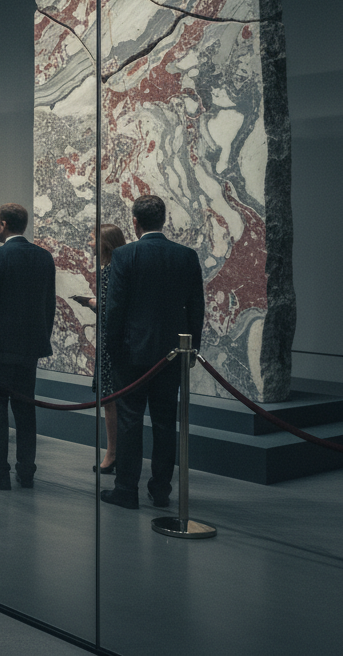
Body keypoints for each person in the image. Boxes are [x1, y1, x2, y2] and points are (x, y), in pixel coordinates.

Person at [101, 195, 205, 510]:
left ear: (135, 222)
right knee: (164, 422)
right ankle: (161, 490)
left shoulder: (124, 255)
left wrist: (113, 350)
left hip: (133, 353)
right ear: (163, 220)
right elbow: (196, 308)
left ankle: (126, 490)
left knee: (130, 420)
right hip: (172, 352)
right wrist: (191, 348)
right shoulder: (186, 256)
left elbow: (115, 309)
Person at [0, 203, 56, 491]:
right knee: (25, 410)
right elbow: (49, 306)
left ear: (3, 225)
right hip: (28, 349)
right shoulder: (44, 257)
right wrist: (41, 339)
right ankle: (26, 471)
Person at [73, 223, 128, 475]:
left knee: (109, 400)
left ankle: (113, 453)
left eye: (93, 238)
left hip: (111, 344)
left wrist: (95, 304)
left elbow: (113, 309)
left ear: (104, 243)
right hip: (117, 342)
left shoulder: (109, 271)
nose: (89, 243)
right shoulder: (119, 268)